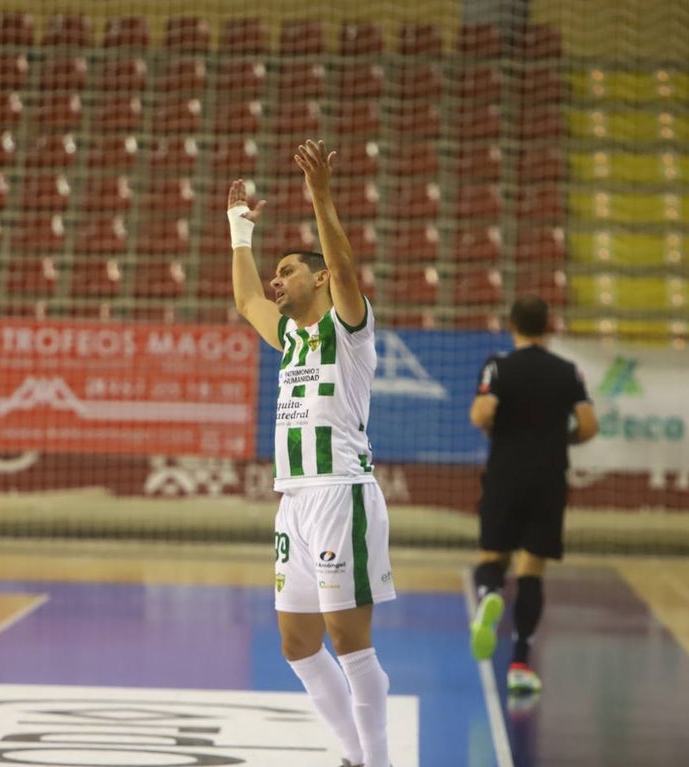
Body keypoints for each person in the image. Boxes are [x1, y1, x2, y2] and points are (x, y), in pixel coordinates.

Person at [227, 139, 395, 767]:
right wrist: (238, 231)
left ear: (319, 277)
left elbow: (348, 272)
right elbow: (247, 301)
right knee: (298, 644)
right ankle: (355, 755)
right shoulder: (291, 339)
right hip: (293, 501)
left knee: (351, 645)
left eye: (288, 271)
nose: (276, 280)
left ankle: (378, 762)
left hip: (339, 492)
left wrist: (321, 196)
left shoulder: (347, 328)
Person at [467, 295, 598, 697]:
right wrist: (561, 437)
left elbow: (481, 414)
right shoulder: (567, 371)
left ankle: (490, 594)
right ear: (549, 327)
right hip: (548, 478)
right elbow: (590, 426)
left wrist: (497, 426)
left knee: (493, 557)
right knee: (531, 570)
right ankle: (521, 664)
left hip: (506, 474)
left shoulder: (498, 366)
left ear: (512, 325)